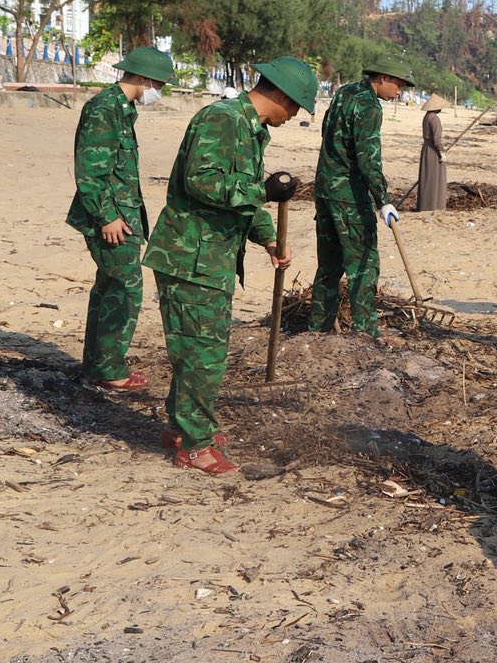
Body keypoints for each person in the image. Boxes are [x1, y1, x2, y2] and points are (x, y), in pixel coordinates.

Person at [142, 55, 315, 475]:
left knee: (196, 349)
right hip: (190, 256)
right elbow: (201, 181)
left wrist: (268, 237)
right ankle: (194, 446)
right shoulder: (222, 120)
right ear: (281, 95)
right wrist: (263, 190)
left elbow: (243, 198)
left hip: (210, 257)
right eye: (295, 106)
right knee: (204, 354)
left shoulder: (248, 130)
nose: (294, 116)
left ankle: (181, 427)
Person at [67, 45, 177, 391]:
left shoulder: (122, 108)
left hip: (122, 214)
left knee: (109, 287)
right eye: (159, 84)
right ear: (144, 77)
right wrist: (106, 217)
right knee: (125, 289)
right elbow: (90, 170)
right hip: (112, 219)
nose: (159, 91)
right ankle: (110, 369)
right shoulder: (105, 108)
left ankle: (98, 364)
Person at [312, 57, 411, 336]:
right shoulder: (370, 106)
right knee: (363, 266)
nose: (399, 91)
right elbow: (368, 159)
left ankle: (317, 330)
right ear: (382, 78)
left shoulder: (344, 92)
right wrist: (383, 200)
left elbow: (326, 132)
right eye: (398, 85)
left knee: (328, 267)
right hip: (349, 197)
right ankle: (366, 333)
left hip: (325, 190)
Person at [416, 94, 448, 213]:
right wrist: (441, 152)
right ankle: (434, 205)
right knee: (435, 178)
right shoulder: (434, 119)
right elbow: (437, 139)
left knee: (427, 177)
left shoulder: (426, 117)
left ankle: (425, 204)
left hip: (426, 149)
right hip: (433, 151)